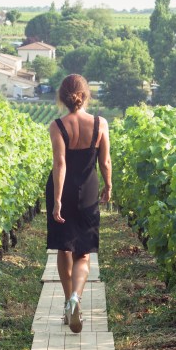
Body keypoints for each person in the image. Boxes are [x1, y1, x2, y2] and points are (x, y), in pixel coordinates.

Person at [45, 74, 112, 333]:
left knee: (64, 249)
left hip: (63, 190)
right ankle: (76, 298)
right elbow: (105, 162)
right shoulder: (100, 123)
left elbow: (60, 164)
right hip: (88, 191)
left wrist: (58, 199)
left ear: (62, 98)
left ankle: (66, 302)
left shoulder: (57, 125)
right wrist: (108, 185)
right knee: (82, 253)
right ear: (86, 96)